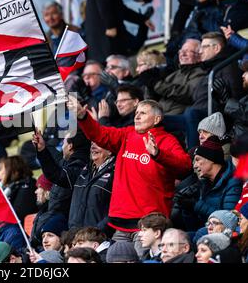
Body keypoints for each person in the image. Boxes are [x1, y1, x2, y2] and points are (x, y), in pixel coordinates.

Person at [67, 97, 191, 244]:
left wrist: (159, 155)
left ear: (157, 119)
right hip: (121, 222)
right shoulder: (127, 134)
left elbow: (185, 167)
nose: (137, 116)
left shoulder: (168, 141)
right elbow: (99, 134)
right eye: (136, 112)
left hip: (149, 224)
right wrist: (83, 116)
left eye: (143, 113)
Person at [85, 0, 154, 64]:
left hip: (105, 36)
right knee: (113, 69)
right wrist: (110, 25)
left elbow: (117, 5)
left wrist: (142, 19)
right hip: (107, 37)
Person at [192, 139, 242, 225]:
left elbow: (228, 219)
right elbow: (196, 224)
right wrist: (187, 209)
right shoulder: (204, 183)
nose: (195, 166)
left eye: (197, 160)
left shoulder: (233, 182)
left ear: (211, 159)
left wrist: (197, 205)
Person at [154, 39, 207, 115]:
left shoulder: (200, 73)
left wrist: (156, 84)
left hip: (177, 116)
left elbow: (188, 94)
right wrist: (149, 86)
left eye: (188, 51)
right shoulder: (173, 75)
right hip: (160, 114)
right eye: (181, 51)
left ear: (199, 56)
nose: (183, 54)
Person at [0, 156, 37, 223]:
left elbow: (17, 214)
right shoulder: (12, 187)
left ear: (12, 170)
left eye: (1, 169)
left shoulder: (27, 187)